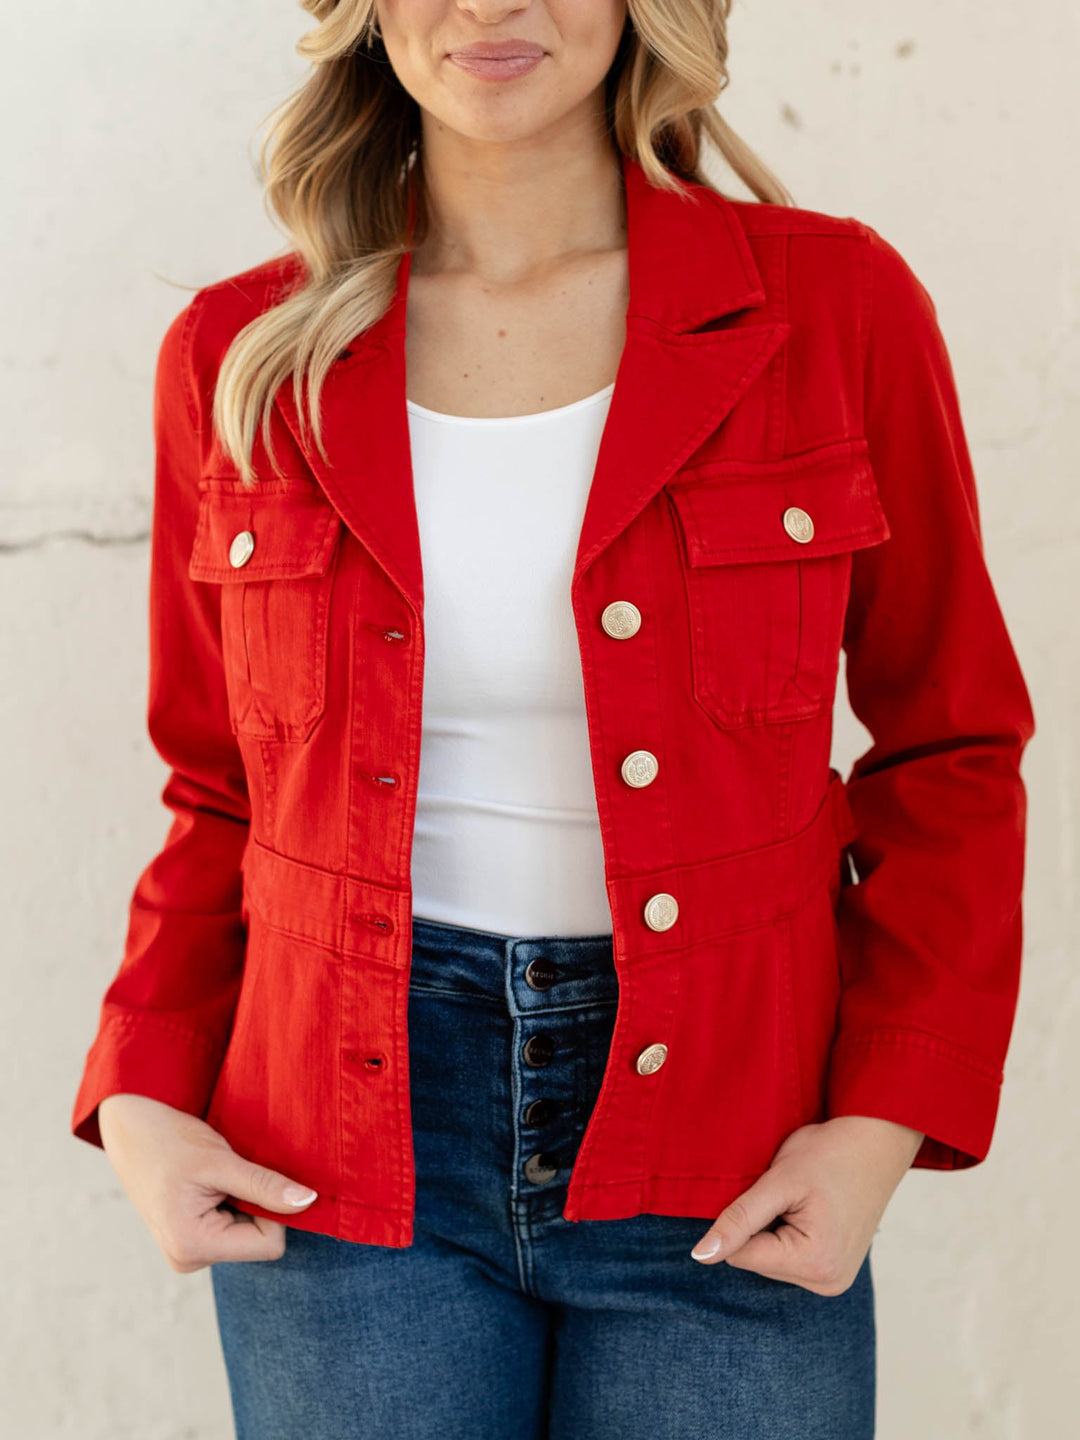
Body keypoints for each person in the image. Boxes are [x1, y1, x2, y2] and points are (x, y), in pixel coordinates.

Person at [70, 1, 1036, 1436]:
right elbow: (219, 787)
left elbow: (950, 750)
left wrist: (880, 1124)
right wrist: (143, 1087)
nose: (493, 4)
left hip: (732, 1143)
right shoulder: (240, 353)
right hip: (337, 1151)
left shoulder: (832, 308)